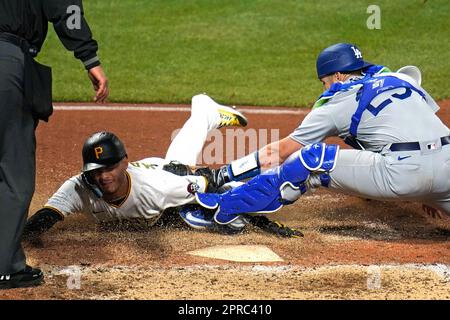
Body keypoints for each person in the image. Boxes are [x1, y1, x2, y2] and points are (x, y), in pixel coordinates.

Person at [193, 43, 450, 225]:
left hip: (403, 176)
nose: (324, 87)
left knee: (312, 161)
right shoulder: (400, 80)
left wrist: (223, 173)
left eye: (324, 82)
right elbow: (416, 120)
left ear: (337, 76)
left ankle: (221, 208)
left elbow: (279, 152)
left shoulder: (337, 104)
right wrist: (429, 191)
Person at [22, 95, 302, 245]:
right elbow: (48, 215)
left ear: (123, 163)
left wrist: (262, 222)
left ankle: (205, 113)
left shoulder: (157, 190)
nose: (103, 176)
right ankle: (203, 111)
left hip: (168, 177)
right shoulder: (80, 188)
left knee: (209, 211)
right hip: (157, 175)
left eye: (109, 168)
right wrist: (15, 240)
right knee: (177, 162)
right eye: (96, 171)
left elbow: (212, 185)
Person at [0, 0, 108, 289]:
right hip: (6, 62)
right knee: (14, 174)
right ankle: (5, 267)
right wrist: (89, 58)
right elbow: (65, 9)